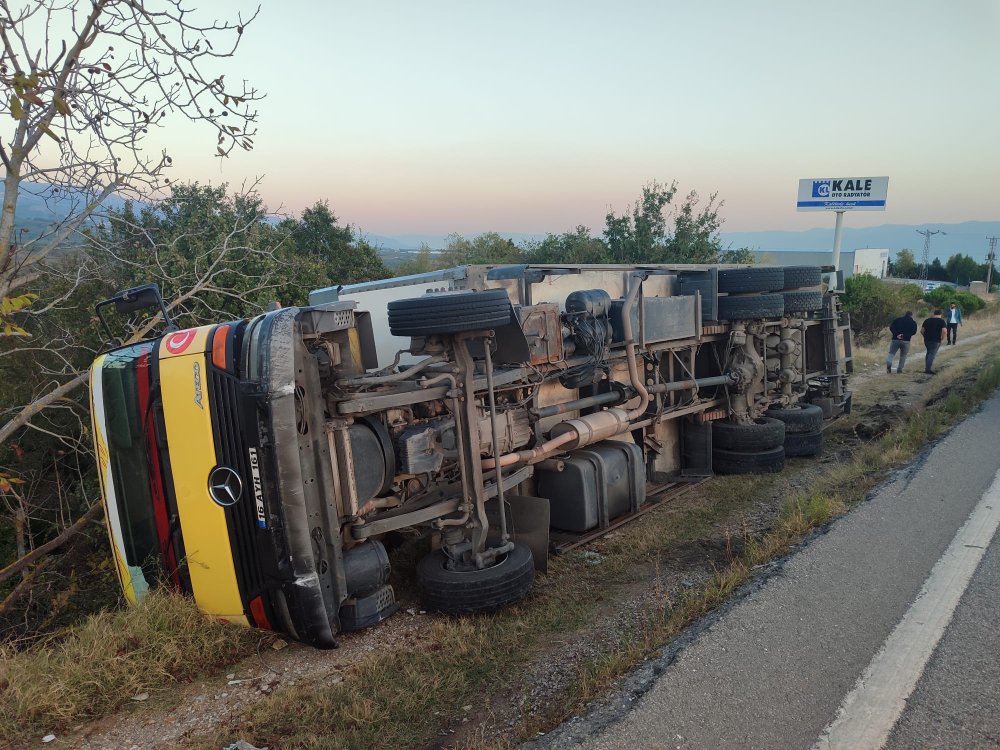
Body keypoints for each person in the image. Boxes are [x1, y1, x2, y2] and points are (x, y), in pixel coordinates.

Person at [920, 309, 947, 374]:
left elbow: (921, 331)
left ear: (934, 314)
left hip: (927, 340)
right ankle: (928, 369)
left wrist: (925, 336)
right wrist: (942, 337)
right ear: (941, 314)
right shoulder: (941, 321)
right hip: (936, 340)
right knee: (932, 354)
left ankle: (927, 368)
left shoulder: (927, 320)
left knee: (928, 353)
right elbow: (944, 331)